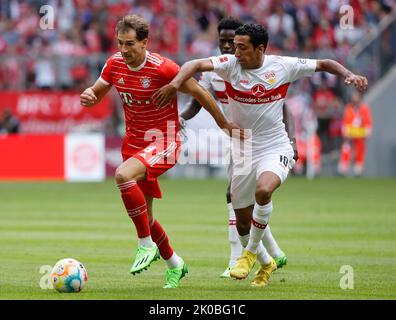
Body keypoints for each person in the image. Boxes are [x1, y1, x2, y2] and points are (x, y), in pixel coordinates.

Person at [153, 23, 368, 287]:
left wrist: (348, 74)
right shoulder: (229, 65)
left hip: (275, 145)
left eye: (242, 47)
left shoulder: (283, 66)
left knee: (263, 191)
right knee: (242, 222)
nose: (236, 51)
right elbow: (195, 65)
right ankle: (267, 263)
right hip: (243, 148)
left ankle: (250, 254)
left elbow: (323, 63)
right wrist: (175, 84)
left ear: (260, 49)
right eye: (234, 46)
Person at [80, 15, 240, 289]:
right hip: (133, 143)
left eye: (130, 43)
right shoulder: (114, 64)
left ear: (145, 43)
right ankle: (175, 264)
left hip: (163, 141)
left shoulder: (163, 69)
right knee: (147, 215)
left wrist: (224, 123)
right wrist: (90, 96)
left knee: (122, 176)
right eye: (120, 43)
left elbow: (201, 92)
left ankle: (145, 245)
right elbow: (98, 90)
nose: (124, 49)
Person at [179, 17, 289, 278]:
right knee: (241, 199)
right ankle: (273, 253)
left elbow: (283, 109)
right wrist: (182, 115)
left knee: (235, 196)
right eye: (224, 41)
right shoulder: (214, 71)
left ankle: (237, 259)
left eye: (234, 41)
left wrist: (291, 139)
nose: (229, 46)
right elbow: (198, 102)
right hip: (237, 139)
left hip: (261, 140)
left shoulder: (262, 68)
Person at [338, 90, 372, 176]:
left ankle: (358, 166)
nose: (354, 98)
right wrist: (346, 131)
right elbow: (345, 121)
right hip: (350, 132)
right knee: (346, 147)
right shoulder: (349, 108)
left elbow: (367, 122)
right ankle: (344, 166)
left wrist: (367, 130)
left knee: (360, 147)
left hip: (360, 133)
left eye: (356, 96)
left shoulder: (364, 108)